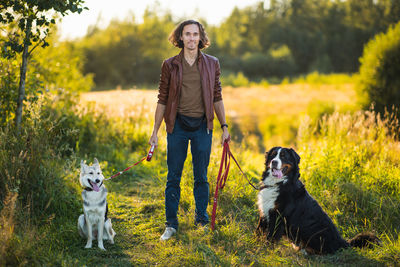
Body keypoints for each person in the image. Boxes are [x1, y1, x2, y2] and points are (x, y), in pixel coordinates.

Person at [149, 19, 230, 241]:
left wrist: (224, 126)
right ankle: (171, 225)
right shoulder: (170, 65)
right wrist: (155, 131)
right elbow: (162, 99)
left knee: (201, 176)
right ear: (180, 37)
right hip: (177, 127)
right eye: (187, 34)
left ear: (201, 38)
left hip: (203, 127)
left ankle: (201, 220)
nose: (192, 38)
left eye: (195, 34)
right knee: (173, 176)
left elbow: (217, 96)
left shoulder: (212, 63)